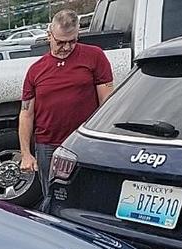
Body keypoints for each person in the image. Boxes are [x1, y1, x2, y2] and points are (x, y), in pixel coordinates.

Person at [19, 9, 114, 210]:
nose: (67, 47)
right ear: (49, 35)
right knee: (52, 199)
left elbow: (107, 103)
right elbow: (26, 113)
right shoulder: (36, 70)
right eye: (61, 42)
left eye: (72, 41)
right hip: (48, 145)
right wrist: (26, 153)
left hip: (83, 144)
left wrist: (104, 141)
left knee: (89, 197)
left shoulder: (94, 56)